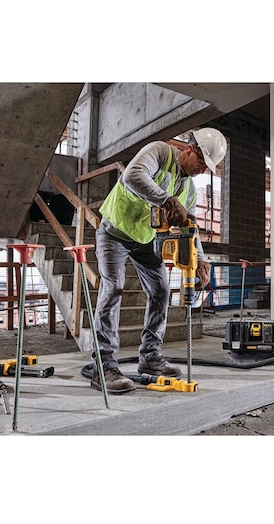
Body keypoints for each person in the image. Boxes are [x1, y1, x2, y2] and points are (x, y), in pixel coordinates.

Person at [90, 127, 227, 394]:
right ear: (189, 149)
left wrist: (201, 258)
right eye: (201, 161)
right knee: (113, 289)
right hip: (114, 233)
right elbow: (132, 176)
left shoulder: (189, 189)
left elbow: (190, 225)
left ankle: (150, 358)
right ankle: (103, 367)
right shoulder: (159, 152)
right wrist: (167, 200)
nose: (202, 169)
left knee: (161, 291)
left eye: (207, 167)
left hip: (145, 241)